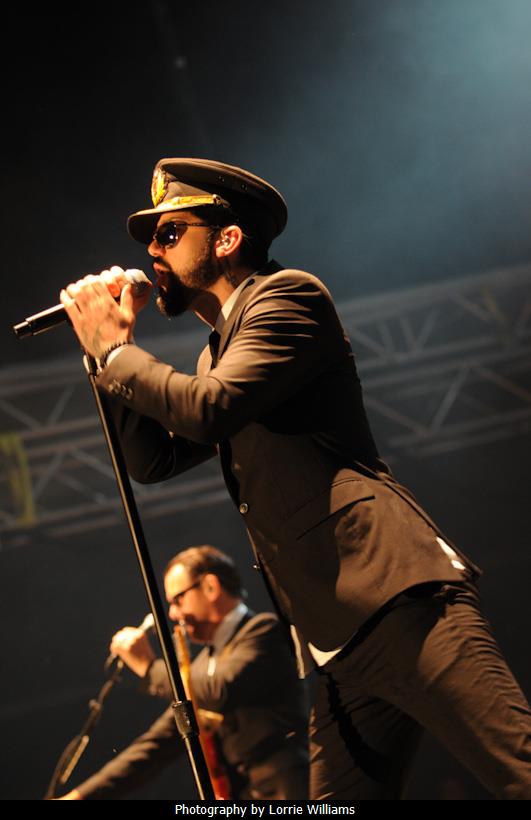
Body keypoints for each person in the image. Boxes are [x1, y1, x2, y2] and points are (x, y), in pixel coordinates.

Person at [59, 157, 531, 799]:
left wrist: (118, 352)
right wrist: (103, 358)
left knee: (517, 769)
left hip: (397, 601)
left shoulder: (289, 297)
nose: (152, 252)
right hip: (337, 641)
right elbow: (153, 462)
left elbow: (207, 410)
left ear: (227, 239)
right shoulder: (215, 352)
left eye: (169, 233)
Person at [59, 545, 309, 800]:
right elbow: (155, 746)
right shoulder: (201, 666)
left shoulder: (263, 631)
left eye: (178, 600)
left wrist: (148, 667)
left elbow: (219, 690)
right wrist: (79, 797)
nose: (172, 613)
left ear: (210, 587)